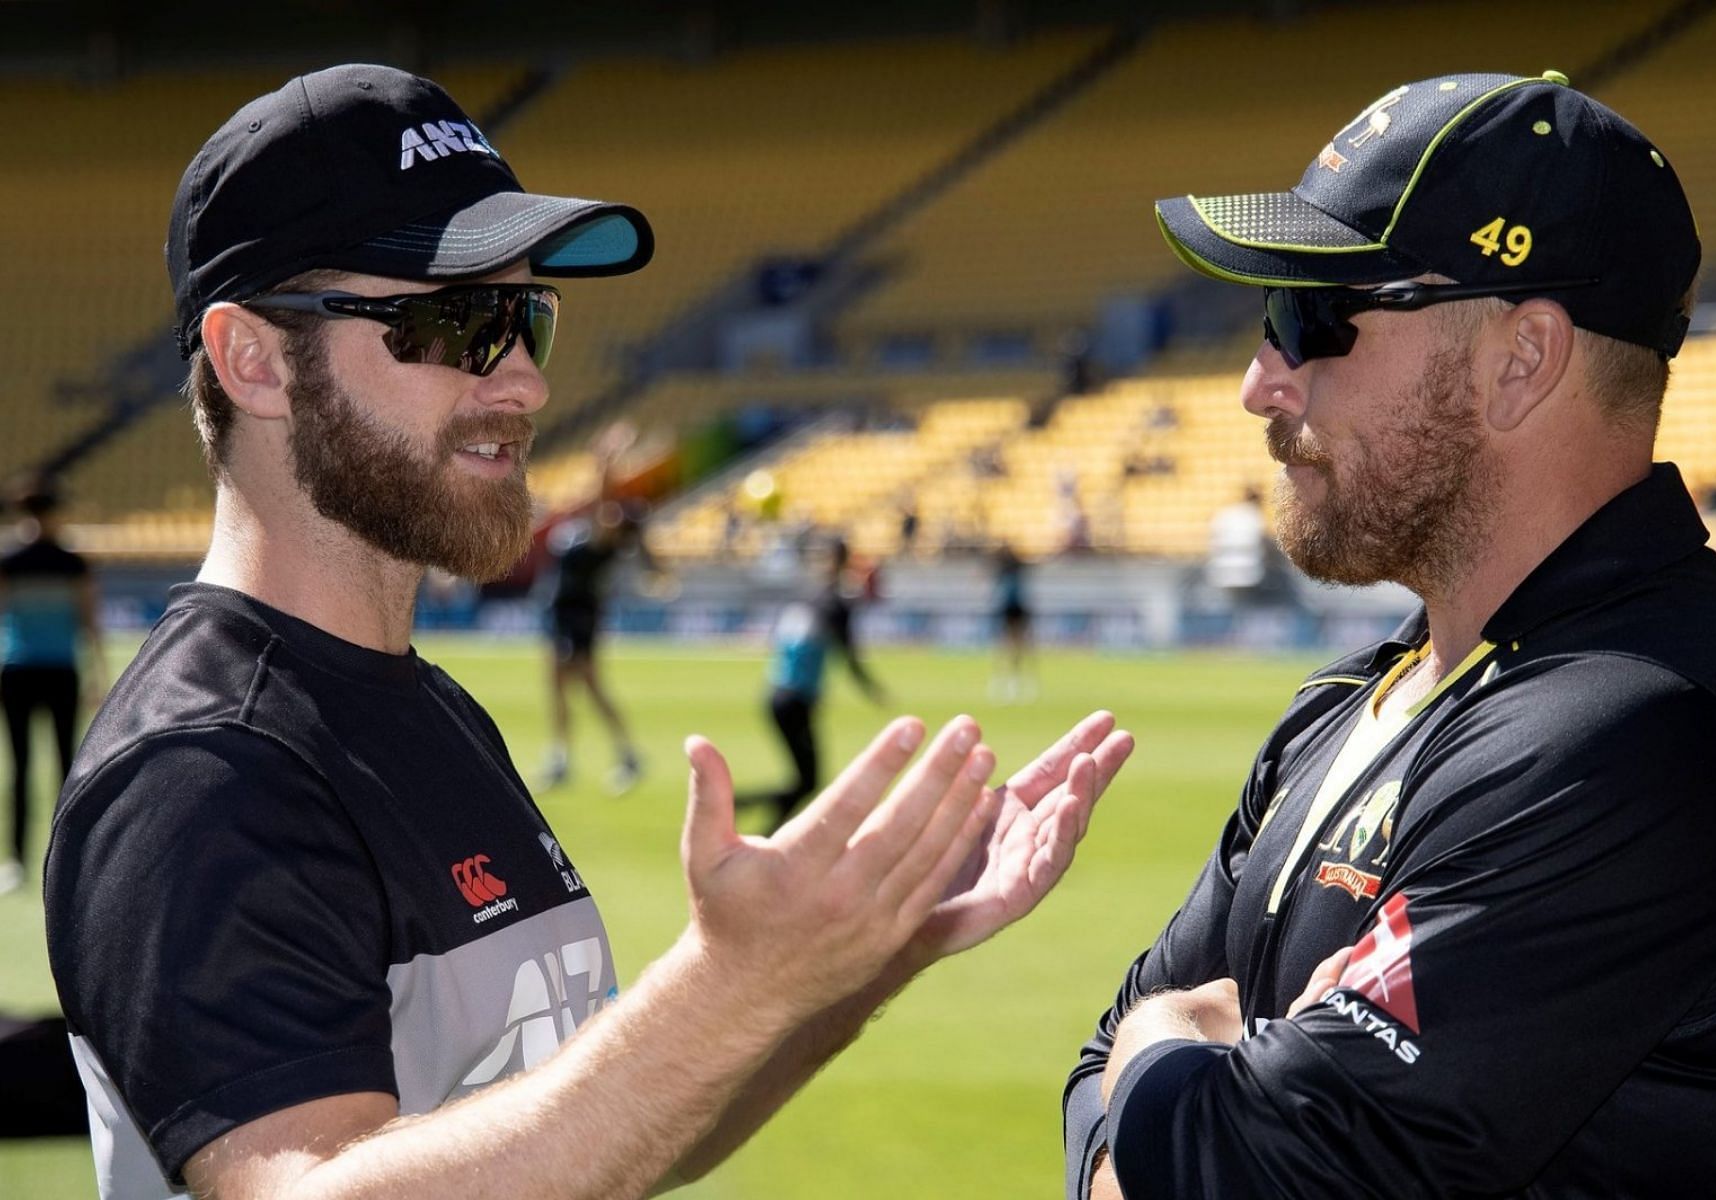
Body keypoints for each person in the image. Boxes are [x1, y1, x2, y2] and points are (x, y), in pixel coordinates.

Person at [41, 64, 1134, 1200]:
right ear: (253, 361)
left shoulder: (422, 708)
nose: (522, 383)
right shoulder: (204, 771)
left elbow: (602, 1149)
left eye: (527, 320)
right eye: (458, 322)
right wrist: (724, 984)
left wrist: (855, 957)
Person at [1069, 70, 1716, 1199]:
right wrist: (1168, 1058)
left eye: (1312, 316)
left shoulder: (1640, 737)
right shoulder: (1348, 703)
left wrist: (1162, 1052)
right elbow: (1108, 1090)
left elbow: (1210, 1170)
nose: (1257, 383)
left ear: (1520, 360)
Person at [739, 537, 888, 830]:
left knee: (806, 781)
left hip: (779, 694)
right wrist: (872, 690)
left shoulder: (806, 597)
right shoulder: (836, 604)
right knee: (809, 781)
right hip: (796, 699)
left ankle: (763, 828)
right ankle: (752, 815)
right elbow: (850, 656)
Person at [0, 476, 102, 894]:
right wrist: (97, 675)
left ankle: (18, 862)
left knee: (21, 766)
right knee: (65, 767)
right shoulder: (71, 562)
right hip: (59, 669)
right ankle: (67, 859)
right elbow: (89, 622)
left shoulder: (10, 560)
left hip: (18, 669)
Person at [539, 422, 650, 792]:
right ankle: (562, 757)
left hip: (577, 618)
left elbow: (603, 497)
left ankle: (626, 755)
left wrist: (605, 459)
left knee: (588, 687)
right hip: (563, 616)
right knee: (560, 685)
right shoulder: (595, 535)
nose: (612, 515)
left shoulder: (604, 540)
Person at [989, 541, 1036, 703]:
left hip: (1014, 607)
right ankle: (1008, 679)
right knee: (1010, 645)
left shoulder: (1011, 568)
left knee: (1015, 645)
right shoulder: (1006, 568)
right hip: (1011, 608)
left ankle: (1016, 680)